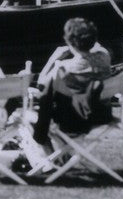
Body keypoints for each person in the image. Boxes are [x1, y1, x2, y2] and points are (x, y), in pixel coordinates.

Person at [31, 17, 113, 151]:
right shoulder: (104, 57)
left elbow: (41, 83)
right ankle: (59, 155)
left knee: (35, 112)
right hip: (101, 115)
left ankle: (45, 149)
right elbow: (97, 47)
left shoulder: (64, 68)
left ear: (69, 41)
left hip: (72, 121)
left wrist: (54, 58)